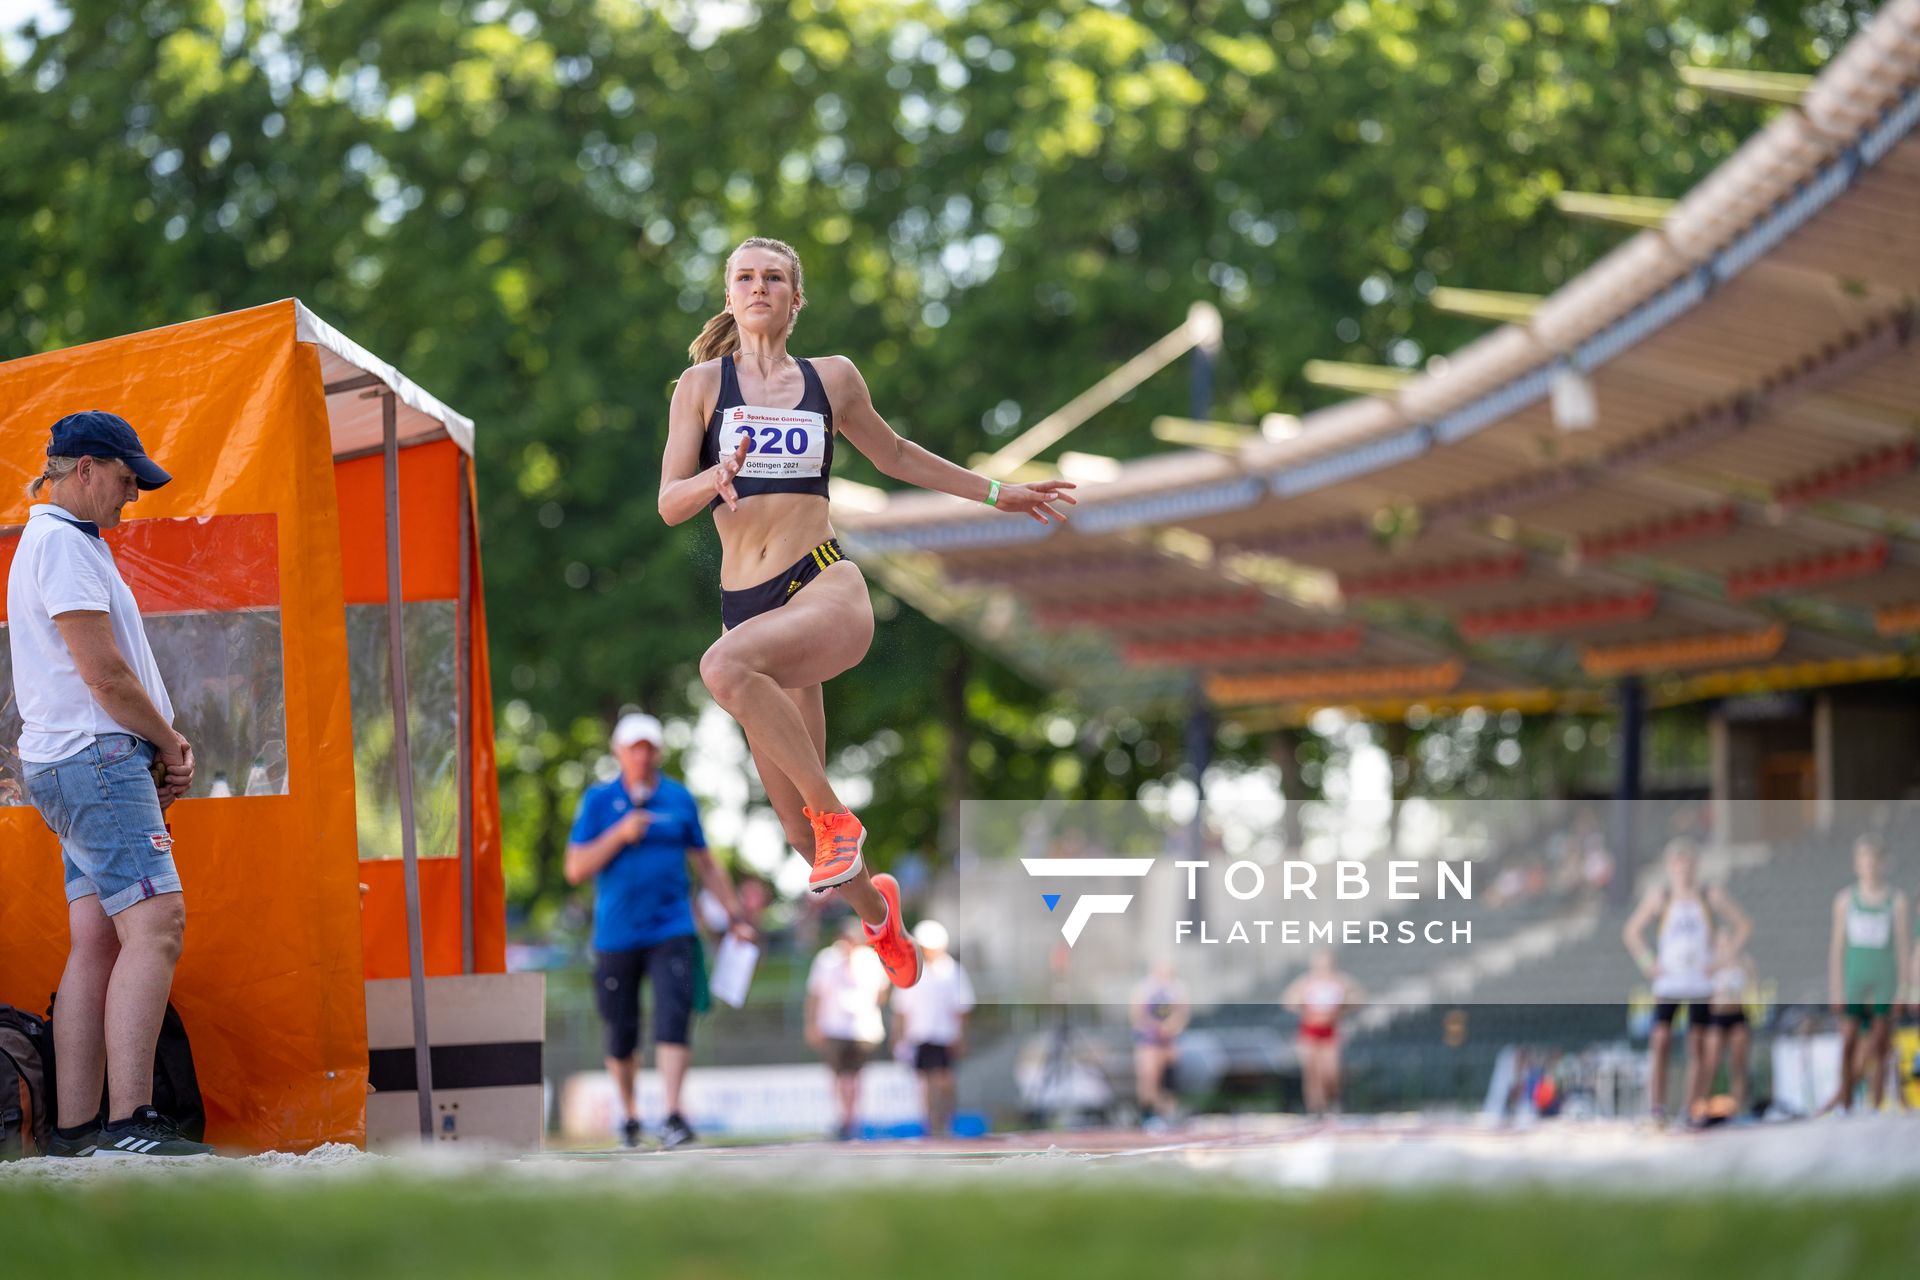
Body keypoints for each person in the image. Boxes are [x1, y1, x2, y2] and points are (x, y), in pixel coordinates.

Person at [658, 237, 1076, 992]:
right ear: (728, 296)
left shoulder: (833, 378)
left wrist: (994, 492)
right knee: (796, 832)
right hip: (747, 614)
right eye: (745, 278)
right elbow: (668, 502)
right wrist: (716, 473)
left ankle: (837, 819)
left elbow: (896, 455)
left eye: (774, 278)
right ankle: (879, 917)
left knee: (723, 671)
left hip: (822, 588)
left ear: (795, 299)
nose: (759, 288)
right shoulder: (699, 387)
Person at [9, 411, 209, 1158]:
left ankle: (74, 1132)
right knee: (157, 925)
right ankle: (131, 1124)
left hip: (74, 760)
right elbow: (105, 674)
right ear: (85, 467)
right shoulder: (62, 543)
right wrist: (167, 741)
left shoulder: (60, 540)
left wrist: (155, 745)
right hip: (97, 756)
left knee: (96, 940)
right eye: (127, 481)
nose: (134, 498)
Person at [565, 712, 752, 1149]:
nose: (642, 755)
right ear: (618, 752)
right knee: (620, 1030)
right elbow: (575, 868)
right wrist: (619, 834)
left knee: (674, 1014)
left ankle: (672, 1113)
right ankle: (629, 1114)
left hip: (672, 927)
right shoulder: (598, 802)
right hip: (615, 934)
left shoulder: (679, 799)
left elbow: (706, 863)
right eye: (634, 747)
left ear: (659, 752)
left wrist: (736, 917)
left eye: (649, 747)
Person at [1622, 837, 1751, 1125]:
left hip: (1699, 983)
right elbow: (1632, 931)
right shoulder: (1661, 897)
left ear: (1696, 865)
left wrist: (1720, 961)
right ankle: (1656, 1108)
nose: (1683, 870)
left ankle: (1690, 1107)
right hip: (1669, 982)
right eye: (1678, 865)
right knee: (1660, 1038)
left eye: (1688, 864)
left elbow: (1743, 925)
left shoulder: (1709, 895)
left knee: (1697, 1044)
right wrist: (1647, 962)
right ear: (1670, 867)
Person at [1823, 834, 1910, 1115]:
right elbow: (1837, 949)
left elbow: (1903, 949)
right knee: (1848, 1040)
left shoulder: (1896, 901)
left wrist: (1904, 990)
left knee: (1880, 1042)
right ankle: (1846, 1104)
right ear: (1856, 865)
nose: (1869, 866)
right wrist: (1836, 990)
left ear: (1882, 863)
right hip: (1855, 979)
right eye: (1864, 860)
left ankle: (1875, 1104)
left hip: (1883, 978)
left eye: (1874, 860)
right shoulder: (1845, 900)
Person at [805, 918, 889, 1140]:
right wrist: (813, 1024)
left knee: (855, 1077)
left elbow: (882, 994)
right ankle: (843, 1118)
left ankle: (853, 1118)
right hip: (833, 1027)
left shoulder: (870, 960)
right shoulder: (826, 960)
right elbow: (814, 995)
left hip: (863, 1029)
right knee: (839, 1076)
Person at [889, 920, 974, 1137]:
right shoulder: (912, 971)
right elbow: (902, 1009)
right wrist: (898, 1037)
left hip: (944, 1034)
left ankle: (946, 1120)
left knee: (944, 1079)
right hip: (919, 1034)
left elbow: (961, 1007)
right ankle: (931, 1123)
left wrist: (960, 1036)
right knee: (925, 1081)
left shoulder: (953, 971)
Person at [1282, 948, 1363, 1117]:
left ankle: (1333, 1101)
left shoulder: (1340, 982)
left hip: (1329, 1031)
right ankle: (1315, 1107)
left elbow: (1359, 999)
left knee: (1330, 1071)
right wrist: (1303, 1006)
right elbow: (1288, 1001)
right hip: (1309, 1030)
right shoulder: (1306, 982)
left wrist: (1341, 1009)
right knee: (1312, 1071)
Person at [1697, 925, 1755, 1123]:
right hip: (1716, 1018)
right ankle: (1702, 1106)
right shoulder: (1711, 965)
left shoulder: (1743, 963)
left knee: (1738, 1064)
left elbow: (1752, 985)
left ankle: (1738, 1108)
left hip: (1737, 1015)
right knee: (1711, 1064)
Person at [1130, 960, 1188, 1129]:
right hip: (1149, 1041)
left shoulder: (1177, 989)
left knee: (1169, 1079)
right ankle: (1149, 1115)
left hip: (1168, 1042)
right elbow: (1137, 1015)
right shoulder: (1144, 989)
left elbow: (1181, 1014)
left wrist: (1170, 1027)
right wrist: (1155, 1028)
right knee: (1148, 1076)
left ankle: (1167, 1115)